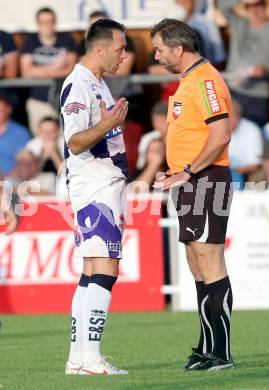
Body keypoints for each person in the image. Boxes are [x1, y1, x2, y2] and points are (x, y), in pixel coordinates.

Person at [152, 18, 234, 371]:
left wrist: (187, 170)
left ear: (178, 48)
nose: (155, 56)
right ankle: (207, 347)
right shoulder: (189, 80)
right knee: (196, 263)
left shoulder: (206, 79)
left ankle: (222, 353)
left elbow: (221, 135)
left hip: (206, 180)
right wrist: (175, 172)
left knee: (210, 261)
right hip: (189, 181)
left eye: (158, 49)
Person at [61, 19, 129, 375]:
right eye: (120, 48)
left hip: (101, 185)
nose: (124, 55)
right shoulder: (79, 85)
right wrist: (107, 124)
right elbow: (74, 141)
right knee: (105, 267)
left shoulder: (96, 83)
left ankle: (78, 358)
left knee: (90, 271)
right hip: (96, 186)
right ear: (100, 48)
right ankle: (91, 358)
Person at [217, 0, 269, 127]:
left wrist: (265, 68)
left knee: (255, 136)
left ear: (265, 7)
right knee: (231, 138)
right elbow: (222, 4)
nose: (254, 10)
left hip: (258, 95)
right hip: (233, 92)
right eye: (250, 6)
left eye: (258, 5)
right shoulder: (238, 23)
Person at [20, 7, 78, 135]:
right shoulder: (30, 41)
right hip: (38, 100)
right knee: (41, 142)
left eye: (50, 21)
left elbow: (71, 70)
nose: (47, 25)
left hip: (65, 100)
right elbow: (26, 72)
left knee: (67, 140)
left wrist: (38, 71)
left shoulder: (66, 39)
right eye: (43, 22)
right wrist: (56, 66)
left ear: (55, 23)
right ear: (38, 24)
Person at [229, 99, 263, 188]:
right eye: (226, 116)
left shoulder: (252, 129)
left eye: (232, 116)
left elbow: (255, 165)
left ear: (239, 115)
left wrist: (231, 172)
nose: (229, 120)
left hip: (244, 175)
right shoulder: (213, 127)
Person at [0, 94, 30, 176]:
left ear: (9, 110)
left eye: (0, 110)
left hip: (12, 179)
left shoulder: (20, 132)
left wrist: (6, 180)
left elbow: (24, 162)